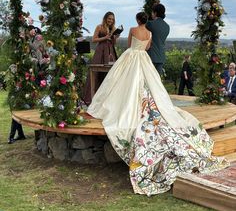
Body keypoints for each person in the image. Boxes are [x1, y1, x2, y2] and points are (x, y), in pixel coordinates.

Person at [87, 12, 227, 196]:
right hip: (144, 60)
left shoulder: (132, 30)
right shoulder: (150, 34)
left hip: (131, 58)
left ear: (137, 20)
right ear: (147, 21)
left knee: (121, 85)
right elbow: (147, 47)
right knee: (151, 87)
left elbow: (130, 45)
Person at [83, 12, 119, 105]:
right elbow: (94, 40)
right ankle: (92, 99)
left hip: (110, 52)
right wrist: (105, 37)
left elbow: (114, 43)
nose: (111, 20)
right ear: (105, 18)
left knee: (110, 74)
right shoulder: (99, 27)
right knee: (97, 73)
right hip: (100, 51)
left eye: (112, 19)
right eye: (109, 18)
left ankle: (107, 99)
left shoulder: (114, 28)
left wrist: (115, 37)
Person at [146, 3, 170, 75]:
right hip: (161, 56)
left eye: (152, 12)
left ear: (155, 13)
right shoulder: (167, 26)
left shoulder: (150, 24)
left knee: (149, 79)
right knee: (157, 81)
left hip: (151, 55)